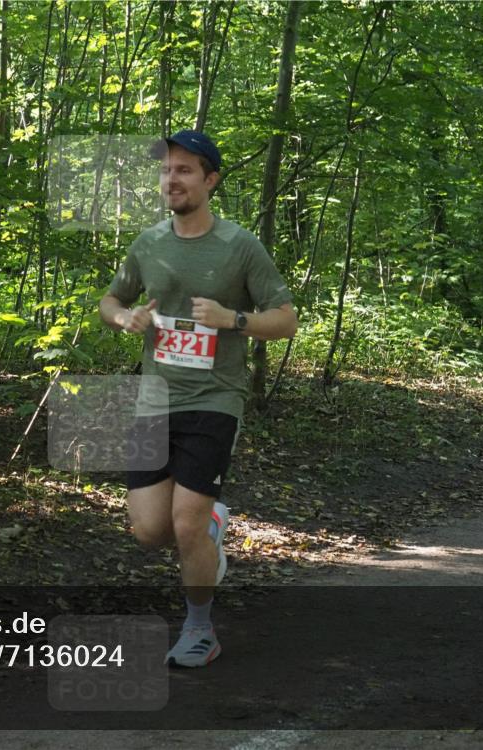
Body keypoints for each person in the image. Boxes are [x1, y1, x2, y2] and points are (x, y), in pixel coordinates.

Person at [98, 130, 298, 667]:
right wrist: (124, 317)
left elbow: (285, 319)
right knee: (148, 532)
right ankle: (211, 528)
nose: (172, 179)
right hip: (153, 399)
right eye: (166, 170)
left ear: (210, 180)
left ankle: (200, 629)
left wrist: (234, 319)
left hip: (215, 397)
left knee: (184, 523)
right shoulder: (148, 243)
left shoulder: (240, 247)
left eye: (185, 170)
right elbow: (112, 298)